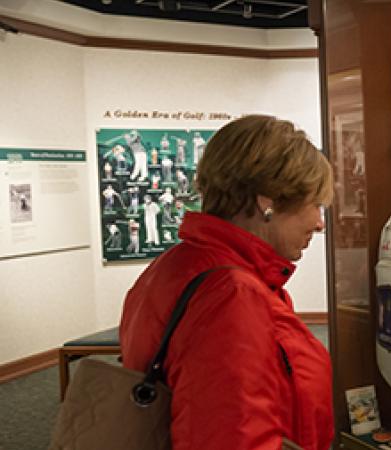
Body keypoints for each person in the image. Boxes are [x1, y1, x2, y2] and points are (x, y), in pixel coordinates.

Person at [119, 115, 335, 450]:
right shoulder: (231, 294)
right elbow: (233, 436)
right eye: (314, 205)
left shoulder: (179, 265)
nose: (319, 223)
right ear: (269, 201)